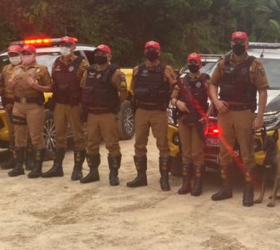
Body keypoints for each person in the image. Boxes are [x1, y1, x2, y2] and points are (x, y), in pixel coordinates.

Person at [208, 32, 269, 206]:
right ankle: (226, 188)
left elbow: (262, 90)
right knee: (224, 152)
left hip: (244, 112)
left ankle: (248, 190)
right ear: (231, 42)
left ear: (247, 43)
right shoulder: (223, 63)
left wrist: (260, 116)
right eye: (235, 41)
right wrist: (216, 101)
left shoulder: (254, 65)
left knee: (247, 152)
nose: (238, 44)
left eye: (241, 41)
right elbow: (212, 84)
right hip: (225, 113)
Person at [127, 41, 178, 190]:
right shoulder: (138, 70)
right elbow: (133, 89)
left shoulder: (166, 70)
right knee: (139, 144)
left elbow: (174, 87)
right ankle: (141, 177)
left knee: (163, 144)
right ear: (144, 52)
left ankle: (164, 178)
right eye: (149, 49)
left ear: (159, 52)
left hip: (158, 111)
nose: (151, 52)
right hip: (142, 110)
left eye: (154, 49)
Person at [80, 44, 128, 185]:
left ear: (109, 56)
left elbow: (124, 93)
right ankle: (93, 172)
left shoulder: (115, 73)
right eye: (97, 53)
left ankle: (114, 174)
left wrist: (114, 104)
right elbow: (84, 89)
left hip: (107, 113)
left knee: (112, 144)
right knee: (91, 144)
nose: (99, 56)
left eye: (103, 53)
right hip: (92, 114)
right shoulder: (89, 72)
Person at [42, 37, 88, 179]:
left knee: (78, 136)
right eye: (62, 45)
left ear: (74, 47)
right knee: (59, 135)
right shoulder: (56, 62)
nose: (64, 48)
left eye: (67, 45)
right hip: (60, 103)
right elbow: (53, 82)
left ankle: (78, 168)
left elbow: (85, 85)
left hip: (74, 104)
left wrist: (84, 105)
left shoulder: (81, 63)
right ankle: (57, 167)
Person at [6, 44, 52, 178]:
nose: (26, 56)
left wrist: (36, 86)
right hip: (18, 105)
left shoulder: (41, 70)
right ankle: (19, 166)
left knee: (36, 136)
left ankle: (37, 167)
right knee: (19, 137)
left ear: (34, 55)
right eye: (24, 54)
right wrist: (10, 85)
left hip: (34, 106)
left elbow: (50, 87)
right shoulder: (17, 70)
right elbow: (9, 90)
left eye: (28, 53)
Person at [171, 53, 212, 196]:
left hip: (198, 121)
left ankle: (198, 184)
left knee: (197, 152)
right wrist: (178, 103)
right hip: (184, 119)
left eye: (195, 62)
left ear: (200, 64)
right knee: (186, 152)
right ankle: (186, 183)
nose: (192, 64)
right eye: (190, 62)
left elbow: (213, 99)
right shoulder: (182, 81)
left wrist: (207, 116)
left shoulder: (206, 80)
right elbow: (172, 98)